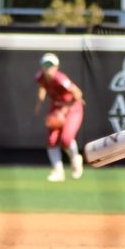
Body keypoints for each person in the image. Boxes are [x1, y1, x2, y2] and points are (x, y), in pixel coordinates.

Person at [34, 52, 85, 182]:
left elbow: (78, 93)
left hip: (72, 107)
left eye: (50, 65)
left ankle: (75, 159)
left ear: (56, 66)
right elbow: (41, 87)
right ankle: (58, 171)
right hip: (56, 107)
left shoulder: (60, 79)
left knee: (66, 139)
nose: (47, 67)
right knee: (51, 140)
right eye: (45, 65)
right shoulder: (40, 77)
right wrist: (40, 102)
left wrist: (65, 109)